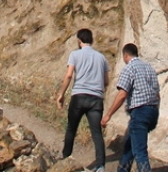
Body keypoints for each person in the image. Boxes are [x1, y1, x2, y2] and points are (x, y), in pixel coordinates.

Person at [56, 28, 109, 172]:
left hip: (79, 96)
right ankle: (100, 166)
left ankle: (66, 159)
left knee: (71, 129)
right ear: (92, 40)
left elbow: (69, 75)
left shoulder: (75, 54)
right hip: (96, 99)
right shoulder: (101, 58)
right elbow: (106, 81)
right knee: (96, 133)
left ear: (79, 41)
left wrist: (61, 93)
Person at [102, 43, 161, 172]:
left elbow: (122, 94)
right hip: (153, 112)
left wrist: (108, 115)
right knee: (130, 145)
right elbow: (157, 95)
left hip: (139, 112)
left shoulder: (129, 68)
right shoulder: (149, 68)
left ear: (125, 55)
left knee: (140, 151)